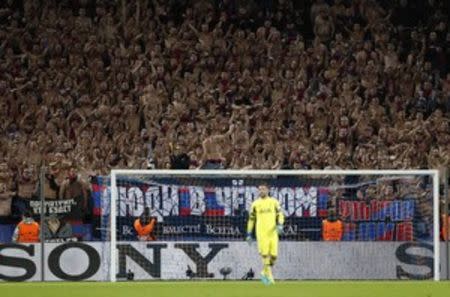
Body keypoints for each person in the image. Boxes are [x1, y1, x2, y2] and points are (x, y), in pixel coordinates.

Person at [246, 184, 284, 285]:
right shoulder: (255, 204)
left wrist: (280, 224)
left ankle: (264, 272)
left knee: (274, 256)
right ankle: (269, 277)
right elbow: (251, 219)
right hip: (261, 232)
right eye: (260, 189)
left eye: (263, 189)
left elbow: (280, 214)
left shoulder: (274, 202)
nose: (261, 191)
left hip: (272, 232)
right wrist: (249, 233)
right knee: (265, 255)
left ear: (268, 190)